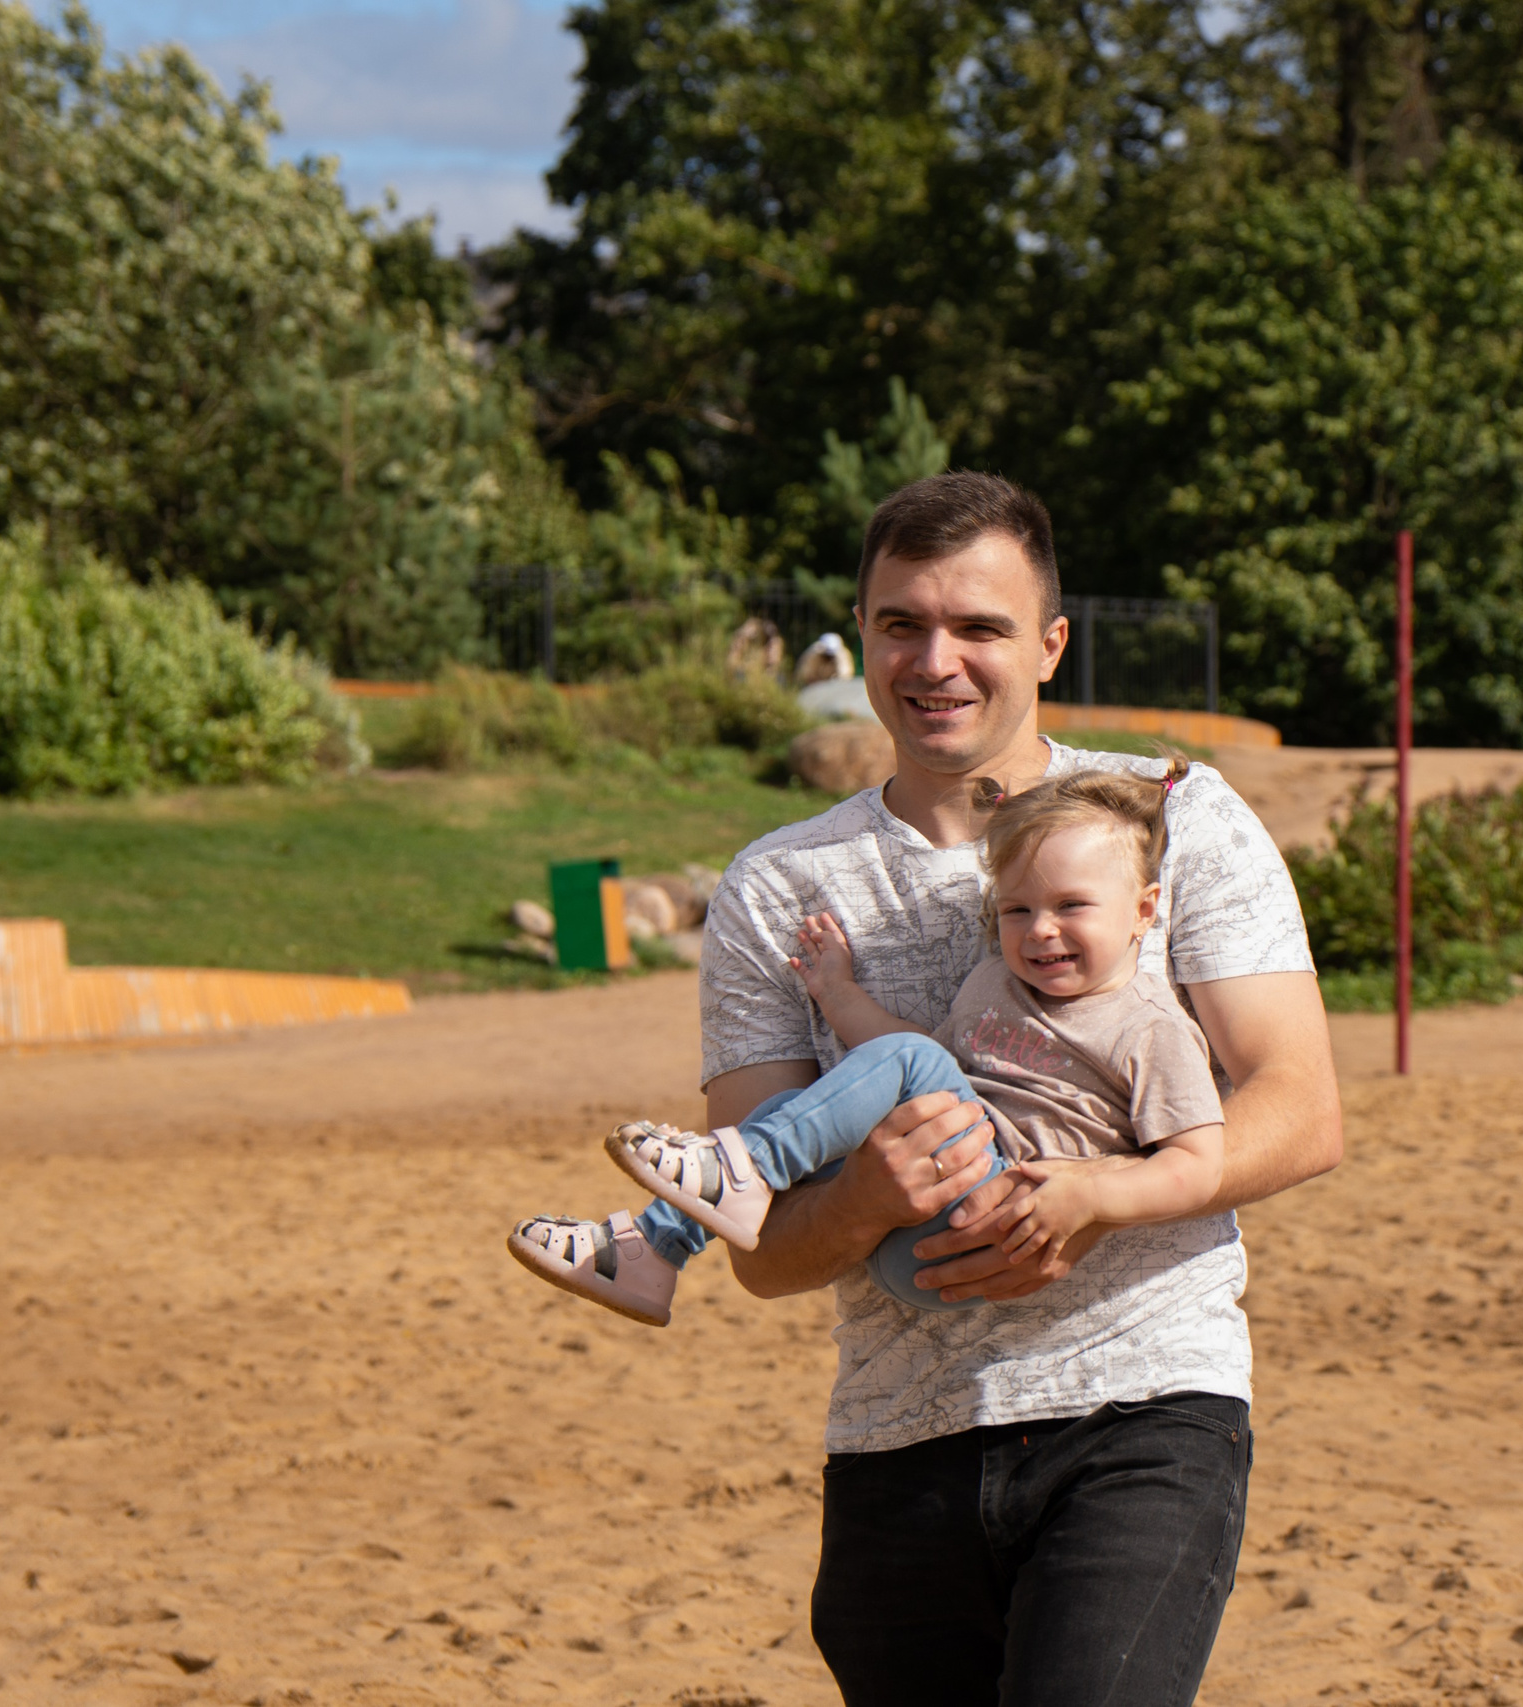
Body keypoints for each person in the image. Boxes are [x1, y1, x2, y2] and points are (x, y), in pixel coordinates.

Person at [506, 470, 1342, 1707]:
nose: (933, 660)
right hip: (899, 1441)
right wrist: (867, 1201)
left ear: (1050, 643)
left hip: (1143, 1408)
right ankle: (648, 1244)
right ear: (862, 633)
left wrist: (1096, 1198)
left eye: (978, 627)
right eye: (900, 623)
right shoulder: (778, 887)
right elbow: (770, 1253)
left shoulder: (1170, 819)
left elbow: (1301, 1109)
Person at [572, 760, 1227, 1312]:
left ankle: (732, 1176)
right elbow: (919, 1061)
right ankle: (649, 1251)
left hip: (991, 1223)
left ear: (1145, 909)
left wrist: (1092, 1194)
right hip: (902, 1229)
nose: (1040, 930)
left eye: (1071, 906)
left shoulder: (1152, 1028)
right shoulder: (994, 983)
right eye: (1016, 909)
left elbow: (1198, 1164)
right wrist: (839, 995)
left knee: (788, 1134)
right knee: (787, 1117)